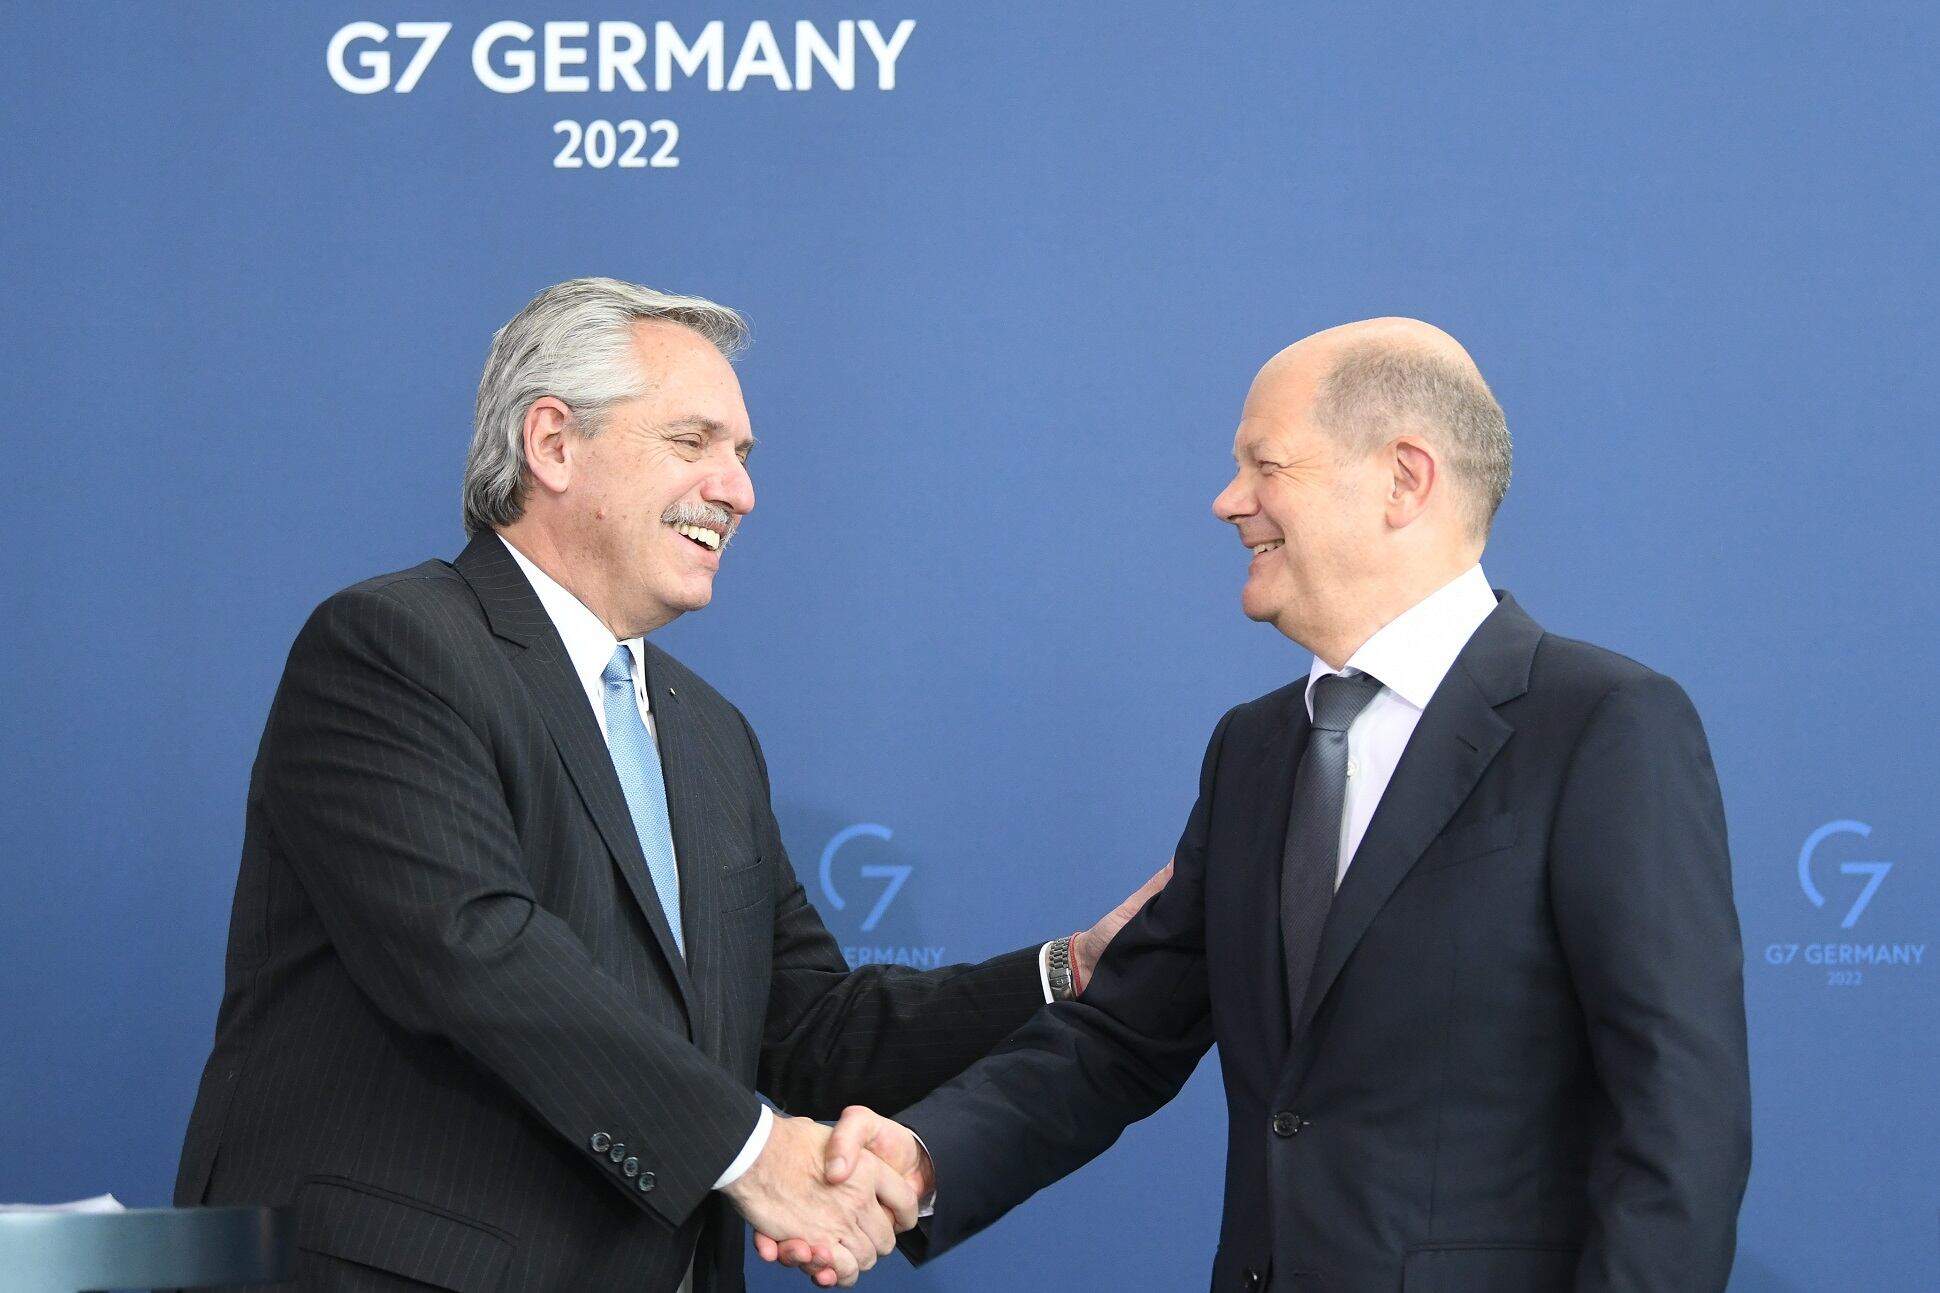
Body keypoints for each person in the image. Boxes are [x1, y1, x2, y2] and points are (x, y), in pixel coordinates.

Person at [173, 277, 1165, 1292]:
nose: (738, 491)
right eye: (693, 442)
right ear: (553, 444)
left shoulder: (709, 732)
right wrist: (754, 1154)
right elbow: (476, 953)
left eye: (742, 456)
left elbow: (810, 1027)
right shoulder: (393, 647)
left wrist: (1065, 971)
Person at [793, 318, 1752, 1292]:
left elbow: (1678, 1120)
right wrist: (924, 1159)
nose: (1228, 501)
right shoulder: (1252, 747)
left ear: (1403, 479)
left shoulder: (1600, 725)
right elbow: (1121, 1035)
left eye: (1265, 464)